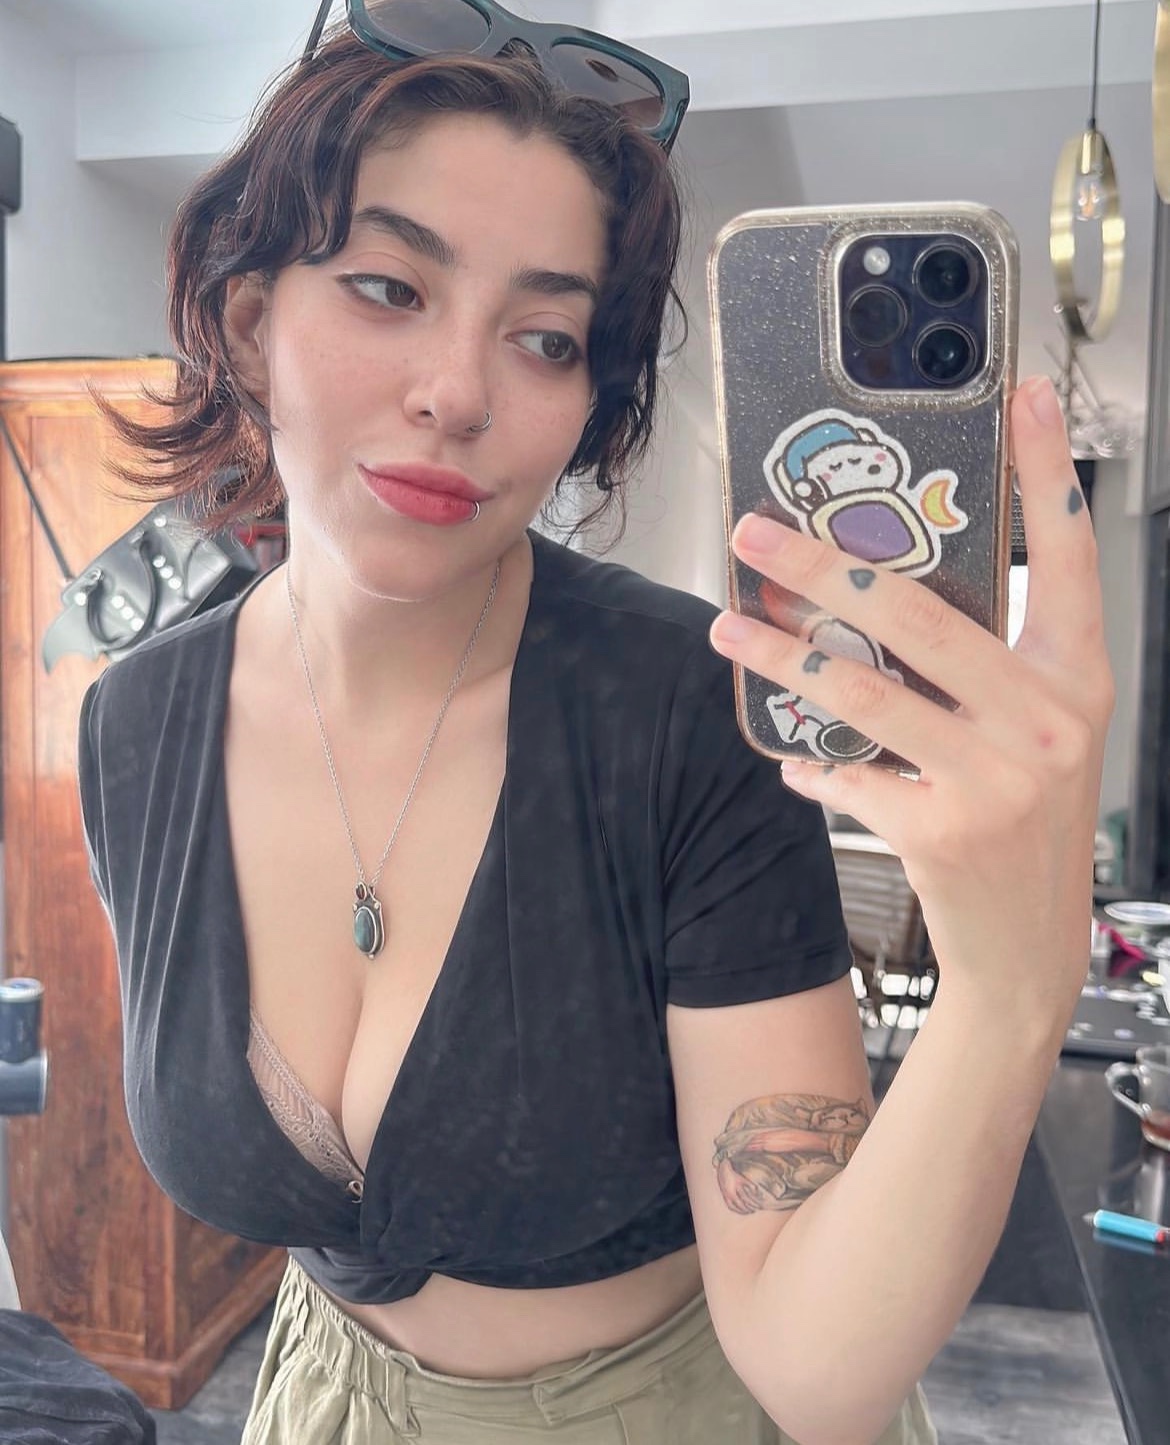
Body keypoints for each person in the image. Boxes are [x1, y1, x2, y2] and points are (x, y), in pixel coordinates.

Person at [75, 3, 1113, 1442]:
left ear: (589, 402)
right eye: (387, 287)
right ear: (251, 321)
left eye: (545, 336)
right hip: (315, 1403)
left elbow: (817, 1368)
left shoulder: (686, 706)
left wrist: (1010, 989)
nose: (457, 393)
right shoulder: (132, 727)